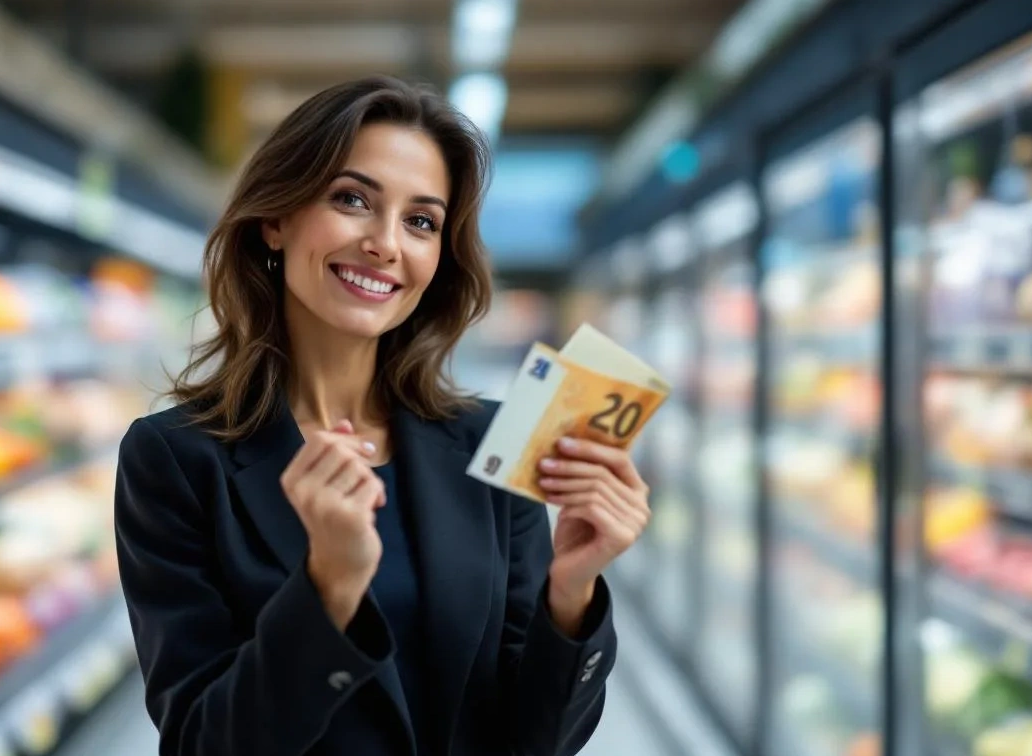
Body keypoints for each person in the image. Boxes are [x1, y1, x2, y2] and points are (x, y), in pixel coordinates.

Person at [114, 76, 652, 756]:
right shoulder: (176, 460)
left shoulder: (489, 443)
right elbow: (201, 743)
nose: (385, 243)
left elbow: (535, 743)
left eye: (421, 221)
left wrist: (572, 592)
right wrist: (328, 588)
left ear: (439, 258)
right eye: (352, 200)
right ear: (275, 219)